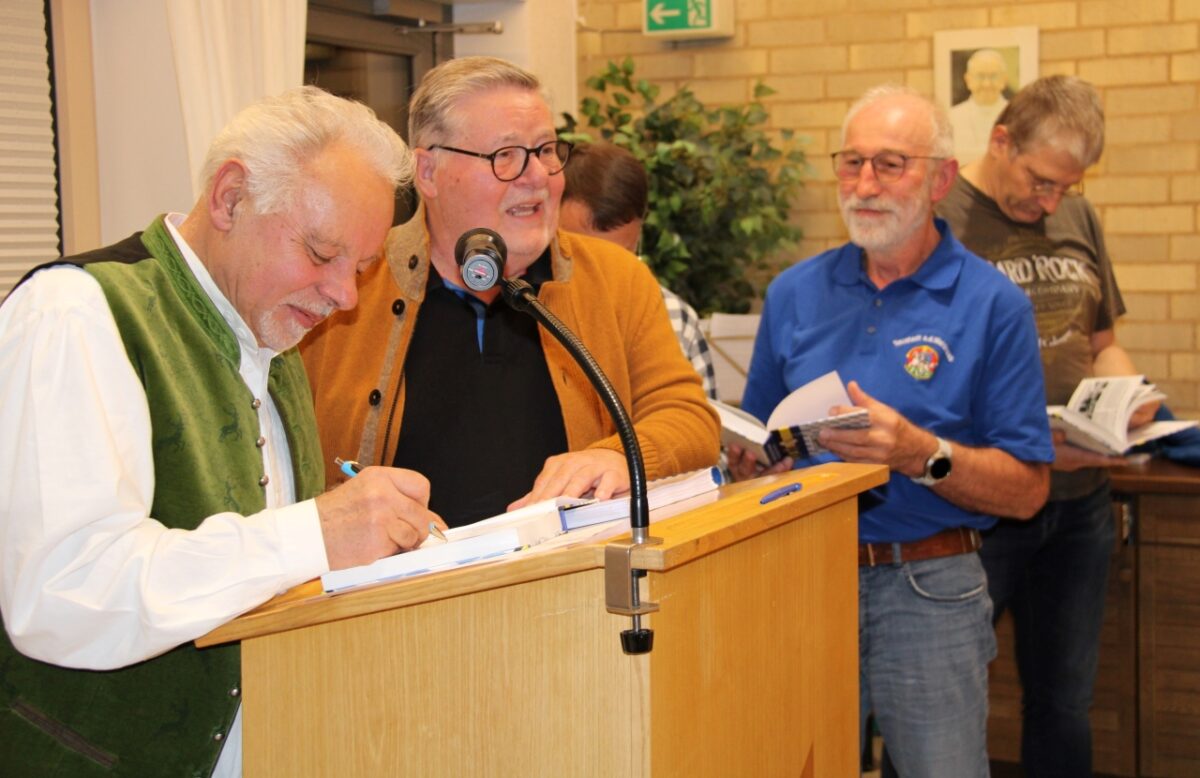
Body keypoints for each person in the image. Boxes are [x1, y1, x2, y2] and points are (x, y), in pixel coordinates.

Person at [0, 86, 443, 777]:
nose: (345, 296)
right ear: (231, 198)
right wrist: (315, 533)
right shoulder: (75, 314)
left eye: (361, 268)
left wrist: (374, 550)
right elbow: (63, 594)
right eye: (321, 253)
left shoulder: (272, 334)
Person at [729, 85, 1054, 776]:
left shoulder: (994, 304)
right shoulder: (793, 293)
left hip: (931, 588)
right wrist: (748, 462)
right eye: (852, 163)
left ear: (941, 179)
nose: (865, 184)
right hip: (806, 581)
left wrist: (920, 453)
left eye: (890, 164)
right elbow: (757, 445)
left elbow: (1028, 491)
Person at [300, 56, 719, 528]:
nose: (538, 175)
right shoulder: (349, 284)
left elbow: (690, 419)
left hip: (577, 571)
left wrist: (619, 456)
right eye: (506, 155)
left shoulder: (615, 278)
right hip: (404, 574)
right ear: (428, 171)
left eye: (545, 150)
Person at [937, 74, 1157, 777]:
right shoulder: (941, 219)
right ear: (1001, 141)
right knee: (942, 702)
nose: (1052, 202)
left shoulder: (1077, 217)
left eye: (1068, 186)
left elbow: (1101, 343)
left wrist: (1128, 398)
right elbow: (924, 377)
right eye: (1041, 181)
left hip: (1078, 505)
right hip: (984, 507)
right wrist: (1026, 443)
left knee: (1065, 703)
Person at [558, 140, 718, 400]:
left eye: (622, 256)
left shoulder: (676, 318)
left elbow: (704, 421)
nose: (601, 275)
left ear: (639, 233)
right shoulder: (521, 309)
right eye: (582, 253)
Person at [950, 48, 1010, 165]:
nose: (986, 84)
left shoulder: (1016, 115)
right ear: (968, 79)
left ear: (1004, 79)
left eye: (993, 76)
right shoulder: (953, 116)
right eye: (980, 76)